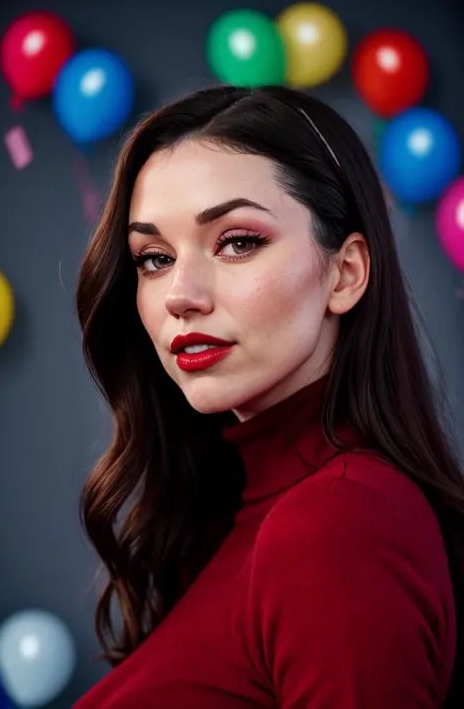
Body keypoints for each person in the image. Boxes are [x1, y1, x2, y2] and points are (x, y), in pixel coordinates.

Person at [73, 84, 464, 709]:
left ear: (346, 273)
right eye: (154, 258)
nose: (181, 294)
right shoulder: (256, 518)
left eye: (236, 242)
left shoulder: (336, 525)